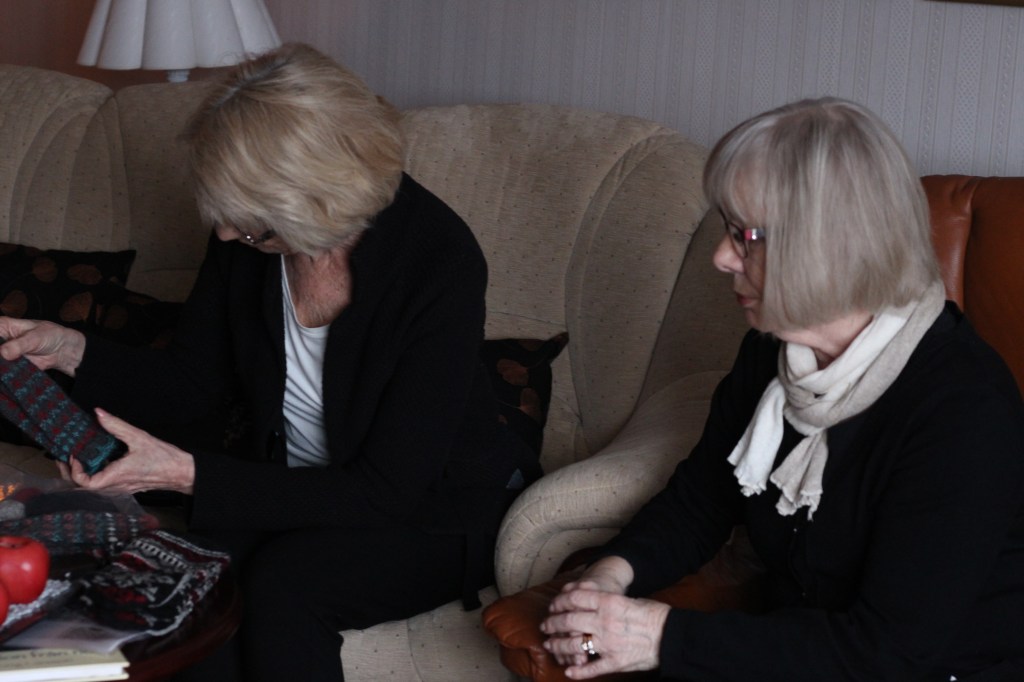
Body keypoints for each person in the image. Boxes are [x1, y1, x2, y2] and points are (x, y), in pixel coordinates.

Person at [0, 43, 534, 680]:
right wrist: (70, 349)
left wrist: (187, 475)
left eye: (251, 224)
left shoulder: (438, 262)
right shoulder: (247, 233)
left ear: (314, 197)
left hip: (431, 510)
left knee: (287, 589)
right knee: (190, 587)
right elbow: (190, 383)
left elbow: (387, 490)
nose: (228, 235)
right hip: (294, 489)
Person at [539, 97, 1024, 681]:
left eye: (746, 235)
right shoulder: (773, 352)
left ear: (834, 244)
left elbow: (890, 652)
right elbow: (702, 499)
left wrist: (659, 637)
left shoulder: (963, 409)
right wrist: (609, 577)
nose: (722, 257)